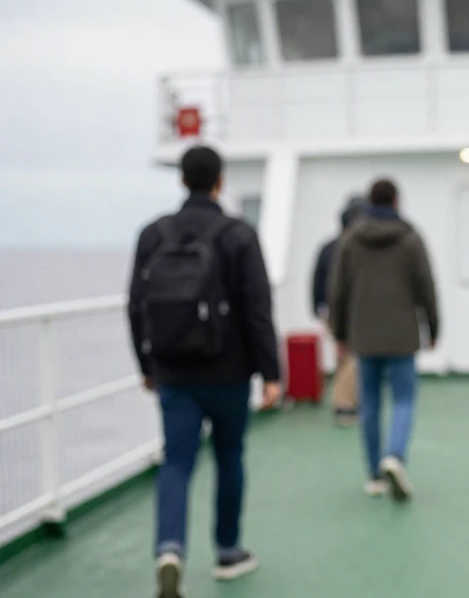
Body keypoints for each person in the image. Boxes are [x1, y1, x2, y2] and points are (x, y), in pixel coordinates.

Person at [127, 145, 281, 598]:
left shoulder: (154, 234)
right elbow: (257, 307)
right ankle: (228, 552)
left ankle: (170, 549)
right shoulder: (237, 234)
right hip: (230, 371)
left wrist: (146, 363)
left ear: (181, 180)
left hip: (173, 369)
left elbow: (135, 306)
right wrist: (270, 373)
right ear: (220, 181)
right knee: (229, 457)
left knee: (176, 462)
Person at [328, 178, 439, 500]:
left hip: (364, 334)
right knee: (404, 398)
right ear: (395, 201)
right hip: (402, 333)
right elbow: (425, 285)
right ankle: (395, 455)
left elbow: (338, 290)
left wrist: (340, 333)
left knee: (370, 403)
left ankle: (375, 475)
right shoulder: (410, 237)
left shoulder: (351, 240)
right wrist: (432, 326)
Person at [312, 196, 368, 426]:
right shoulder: (356, 248)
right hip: (353, 311)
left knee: (343, 355)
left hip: (331, 311)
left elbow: (316, 281)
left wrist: (317, 306)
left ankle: (349, 399)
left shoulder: (327, 247)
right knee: (353, 356)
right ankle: (344, 404)